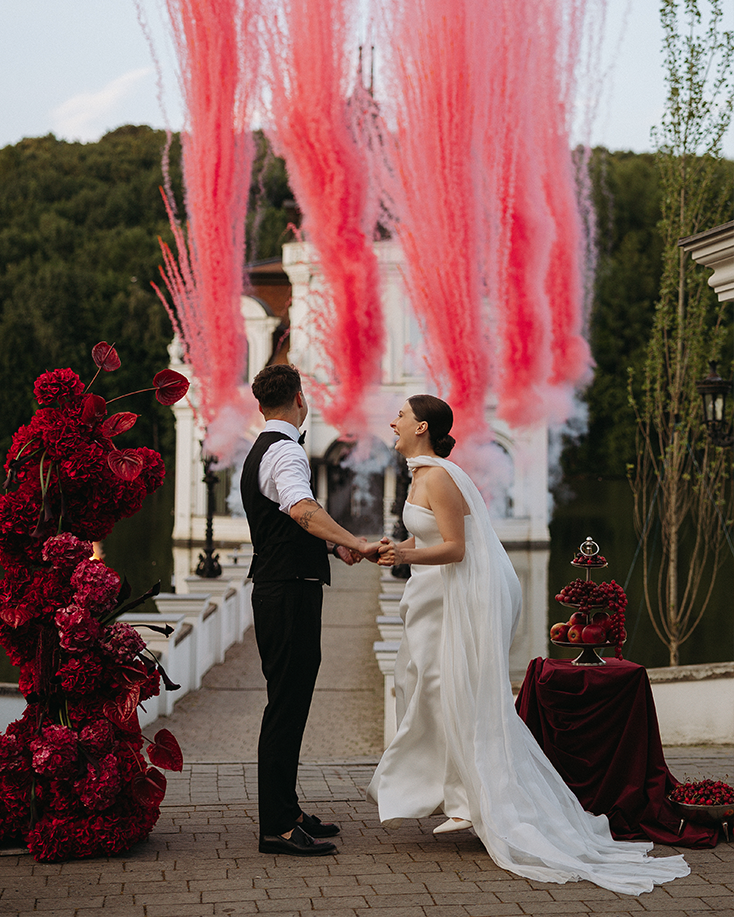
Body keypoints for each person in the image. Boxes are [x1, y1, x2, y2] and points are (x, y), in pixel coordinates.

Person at [367, 394, 690, 895]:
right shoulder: (421, 473)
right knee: (431, 689)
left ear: (422, 427)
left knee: (454, 692)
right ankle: (457, 795)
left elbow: (457, 548)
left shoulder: (439, 476)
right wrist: (401, 550)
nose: (393, 421)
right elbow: (433, 539)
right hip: (436, 599)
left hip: (458, 599)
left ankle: (476, 800)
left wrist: (407, 558)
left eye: (401, 416)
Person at [241, 364, 381, 857]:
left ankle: (288, 809)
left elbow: (287, 524)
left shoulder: (270, 448)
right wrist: (354, 542)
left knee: (291, 701)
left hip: (283, 587)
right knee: (285, 705)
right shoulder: (285, 451)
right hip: (287, 594)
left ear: (263, 404)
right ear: (300, 400)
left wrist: (329, 549)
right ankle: (276, 826)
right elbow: (301, 509)